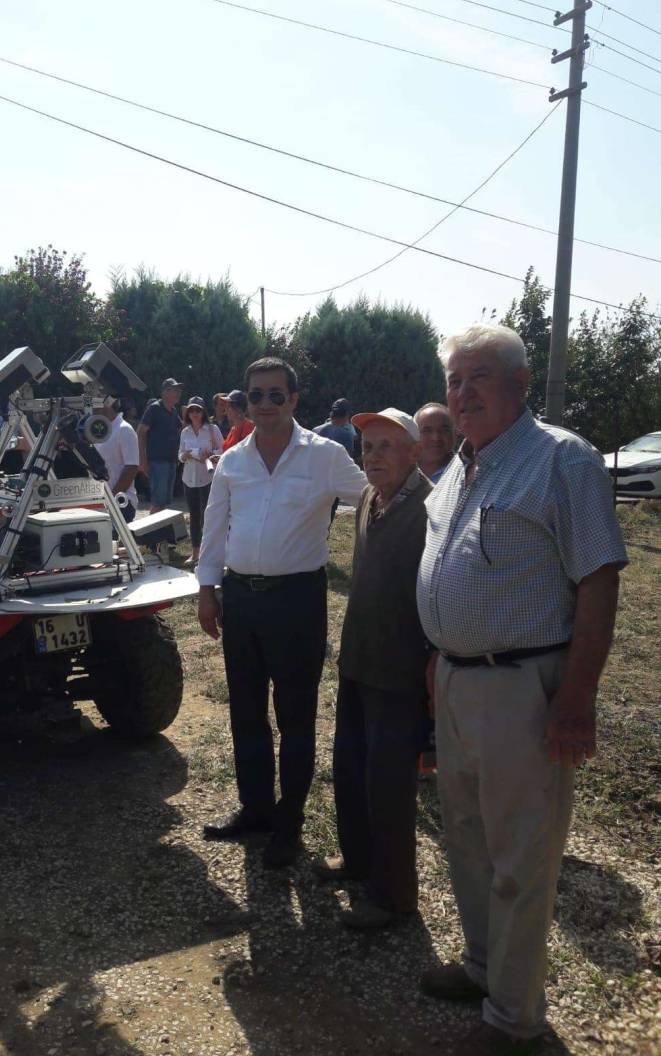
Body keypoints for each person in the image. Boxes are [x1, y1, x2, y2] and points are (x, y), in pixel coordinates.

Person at [416, 324, 627, 1056]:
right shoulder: (458, 467)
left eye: (479, 377)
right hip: (456, 679)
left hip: (522, 687)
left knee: (519, 856)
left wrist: (576, 698)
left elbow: (598, 578)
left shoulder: (561, 460)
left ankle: (514, 1020)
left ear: (519, 385)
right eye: (454, 380)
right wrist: (438, 659)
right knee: (467, 840)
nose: (463, 393)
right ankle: (483, 967)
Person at [197, 357, 367, 868]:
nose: (265, 404)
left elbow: (374, 499)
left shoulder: (326, 455)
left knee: (295, 716)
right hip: (241, 599)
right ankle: (256, 810)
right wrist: (207, 590)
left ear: (293, 400)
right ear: (245, 401)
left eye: (276, 395)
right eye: (256, 395)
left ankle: (289, 824)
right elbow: (214, 527)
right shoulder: (233, 460)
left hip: (297, 600)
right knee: (246, 710)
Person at [313, 408, 432, 930]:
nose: (374, 456)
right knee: (350, 768)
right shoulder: (367, 497)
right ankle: (358, 861)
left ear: (413, 452)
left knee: (389, 785)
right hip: (359, 659)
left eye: (387, 446)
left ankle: (393, 895)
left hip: (401, 668)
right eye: (368, 446)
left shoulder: (432, 506)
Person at [179, 398, 224, 566]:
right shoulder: (186, 432)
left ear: (203, 412)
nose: (195, 413)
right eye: (191, 410)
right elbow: (180, 453)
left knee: (208, 515)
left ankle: (209, 552)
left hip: (207, 476)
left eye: (198, 410)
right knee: (194, 515)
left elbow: (223, 448)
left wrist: (210, 454)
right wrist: (185, 456)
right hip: (189, 478)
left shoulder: (212, 429)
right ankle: (195, 552)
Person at [138, 378, 183, 514]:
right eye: (175, 390)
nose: (178, 393)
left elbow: (181, 430)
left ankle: (159, 527)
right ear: (165, 392)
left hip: (171, 462)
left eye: (178, 390)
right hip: (157, 462)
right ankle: (152, 528)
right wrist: (142, 459)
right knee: (157, 504)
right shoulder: (154, 409)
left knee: (163, 504)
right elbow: (140, 431)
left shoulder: (173, 411)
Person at [95, 396, 140, 522]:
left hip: (121, 502)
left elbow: (132, 467)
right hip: (102, 501)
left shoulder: (124, 429)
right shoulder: (98, 430)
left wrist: (111, 497)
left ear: (108, 402)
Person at [314, 398, 356, 522]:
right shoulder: (346, 435)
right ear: (346, 415)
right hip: (333, 482)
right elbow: (348, 461)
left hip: (314, 480)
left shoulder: (316, 430)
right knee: (328, 517)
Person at [414, 402, 456, 484]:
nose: (436, 438)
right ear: (414, 436)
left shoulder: (467, 473)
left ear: (455, 434)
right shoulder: (401, 474)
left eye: (443, 430)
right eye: (427, 431)